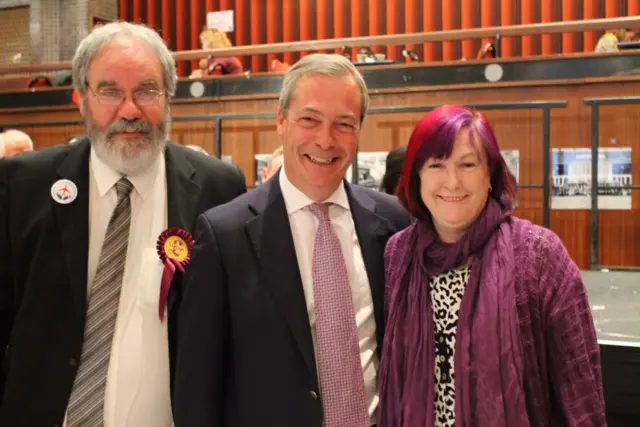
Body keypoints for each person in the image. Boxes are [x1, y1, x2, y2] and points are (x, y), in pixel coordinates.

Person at [0, 22, 247, 427]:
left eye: (147, 90)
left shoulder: (218, 187)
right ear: (82, 98)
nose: (130, 110)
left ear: (168, 97)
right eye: (111, 91)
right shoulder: (22, 186)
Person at [173, 53, 412, 427]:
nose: (325, 139)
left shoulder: (394, 222)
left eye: (344, 124)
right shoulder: (225, 235)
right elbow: (197, 387)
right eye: (310, 119)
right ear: (281, 121)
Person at [378, 105, 606, 427]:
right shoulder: (398, 254)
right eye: (437, 165)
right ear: (417, 176)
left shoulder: (538, 255)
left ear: (490, 175)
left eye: (467, 164)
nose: (453, 181)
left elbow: (581, 392)